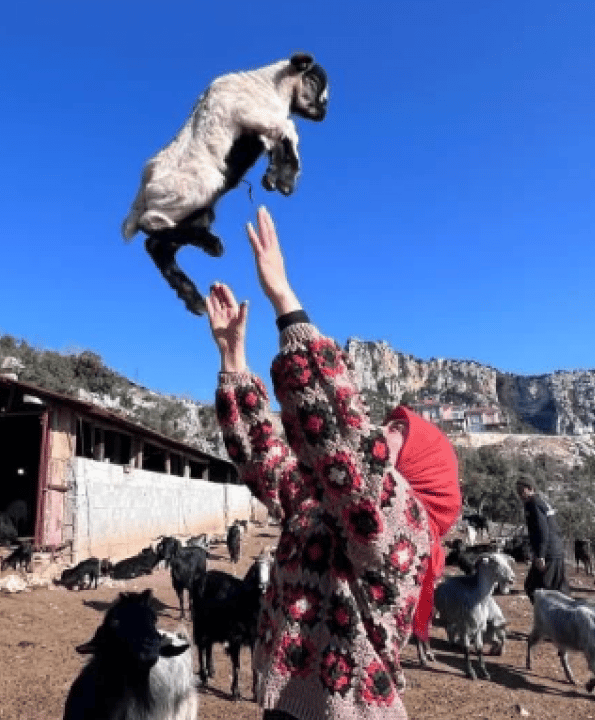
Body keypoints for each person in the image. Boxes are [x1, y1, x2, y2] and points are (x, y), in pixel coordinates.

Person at [205, 206, 461, 720]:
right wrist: (233, 360)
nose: (382, 434)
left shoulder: (401, 526)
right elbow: (267, 464)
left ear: (419, 471)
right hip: (289, 706)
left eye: (397, 434)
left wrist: (285, 300)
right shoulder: (327, 509)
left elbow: (343, 444)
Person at [517, 479, 567, 596]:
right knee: (555, 589)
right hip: (555, 549)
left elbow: (542, 530)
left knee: (539, 589)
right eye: (518, 491)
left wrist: (541, 555)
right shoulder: (539, 501)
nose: (519, 494)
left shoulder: (533, 503)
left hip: (549, 552)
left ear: (531, 489)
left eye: (522, 490)